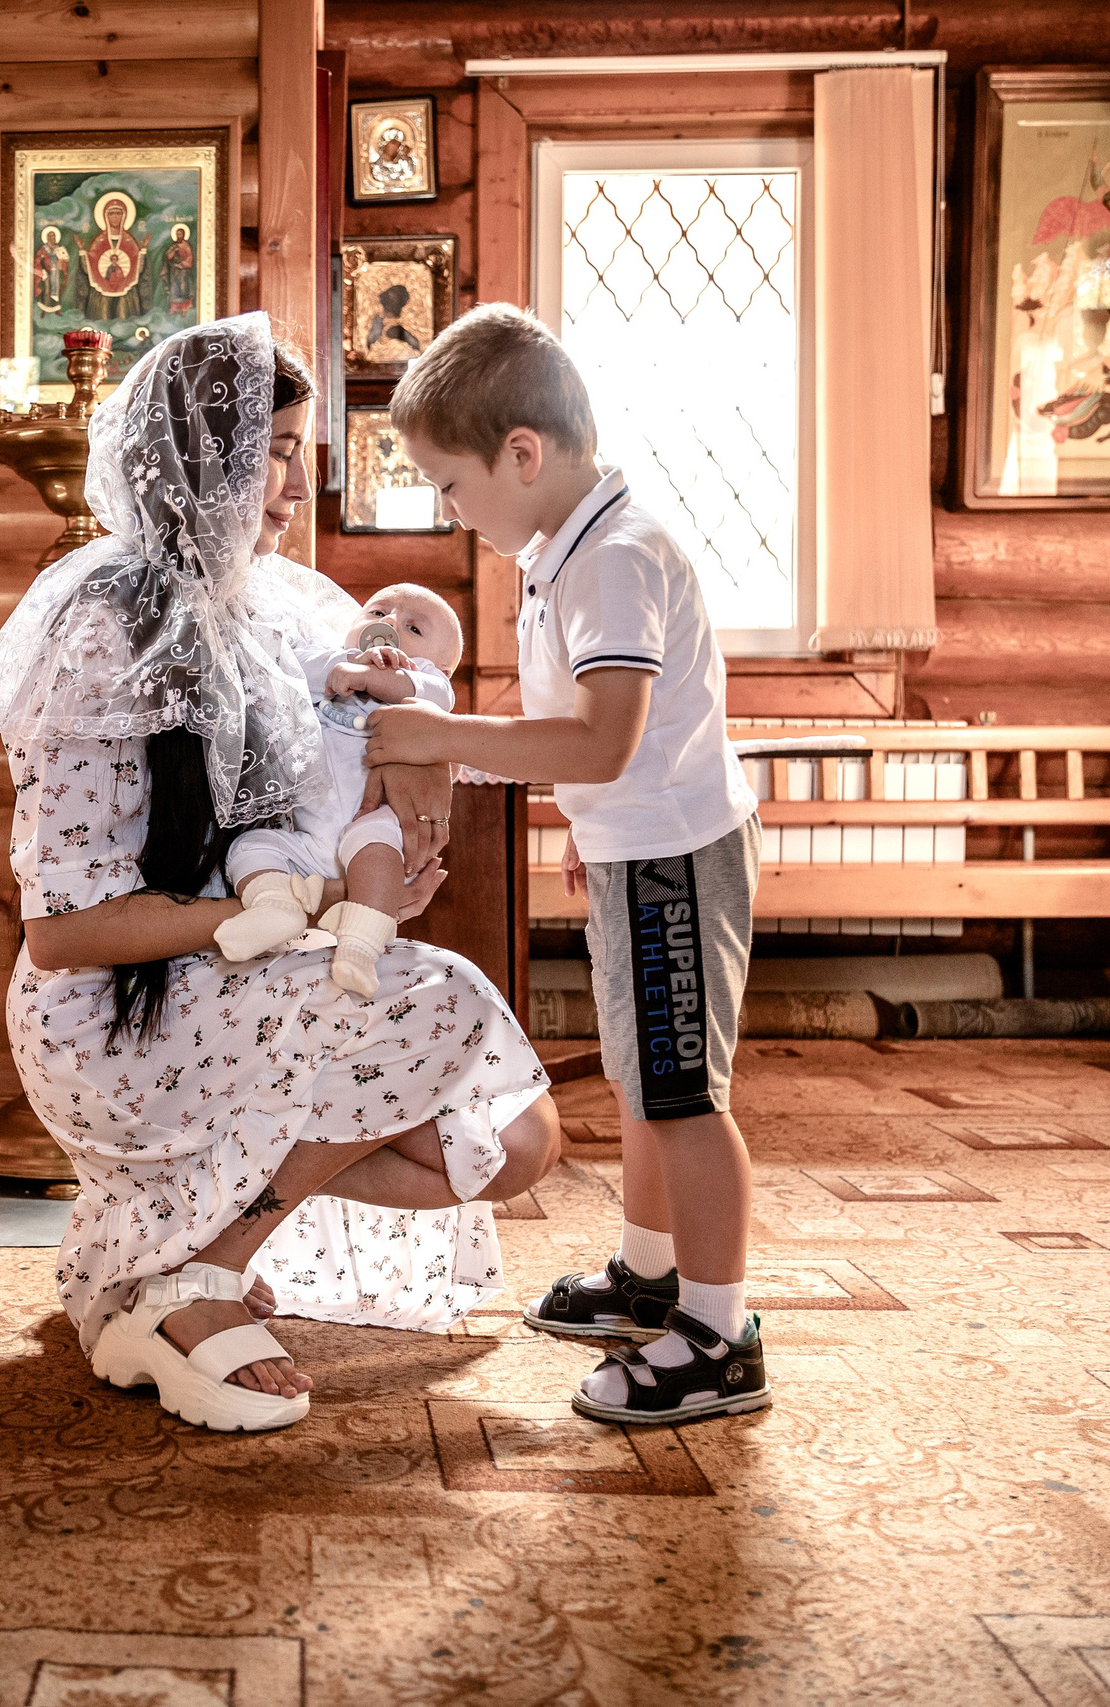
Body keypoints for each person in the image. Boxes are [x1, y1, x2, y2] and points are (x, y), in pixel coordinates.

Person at [0, 311, 561, 1436]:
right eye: (273, 450)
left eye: (300, 449)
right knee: (443, 999)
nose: (295, 482)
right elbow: (62, 937)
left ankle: (166, 1236)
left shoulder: (284, 600)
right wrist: (308, 910)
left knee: (516, 1144)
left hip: (252, 982)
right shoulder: (109, 623)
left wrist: (411, 781)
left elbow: (386, 725)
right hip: (117, 1010)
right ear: (198, 454)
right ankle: (196, 1274)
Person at [361, 303, 769, 1427]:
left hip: (674, 855)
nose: (450, 509)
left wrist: (441, 741)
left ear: (521, 455)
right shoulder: (570, 546)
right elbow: (582, 740)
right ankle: (649, 1274)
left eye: (449, 484)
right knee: (645, 1080)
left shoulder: (616, 560)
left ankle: (719, 1333)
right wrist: (594, 829)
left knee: (682, 1094)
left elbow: (602, 739)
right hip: (639, 848)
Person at [213, 585, 462, 998]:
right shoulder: (328, 661)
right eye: (377, 611)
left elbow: (437, 698)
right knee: (252, 847)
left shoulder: (425, 681)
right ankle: (275, 906)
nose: (388, 624)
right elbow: (290, 669)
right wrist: (345, 663)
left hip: (375, 825)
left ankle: (360, 948)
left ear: (440, 665)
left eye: (413, 627)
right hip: (309, 842)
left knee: (374, 840)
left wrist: (375, 677)